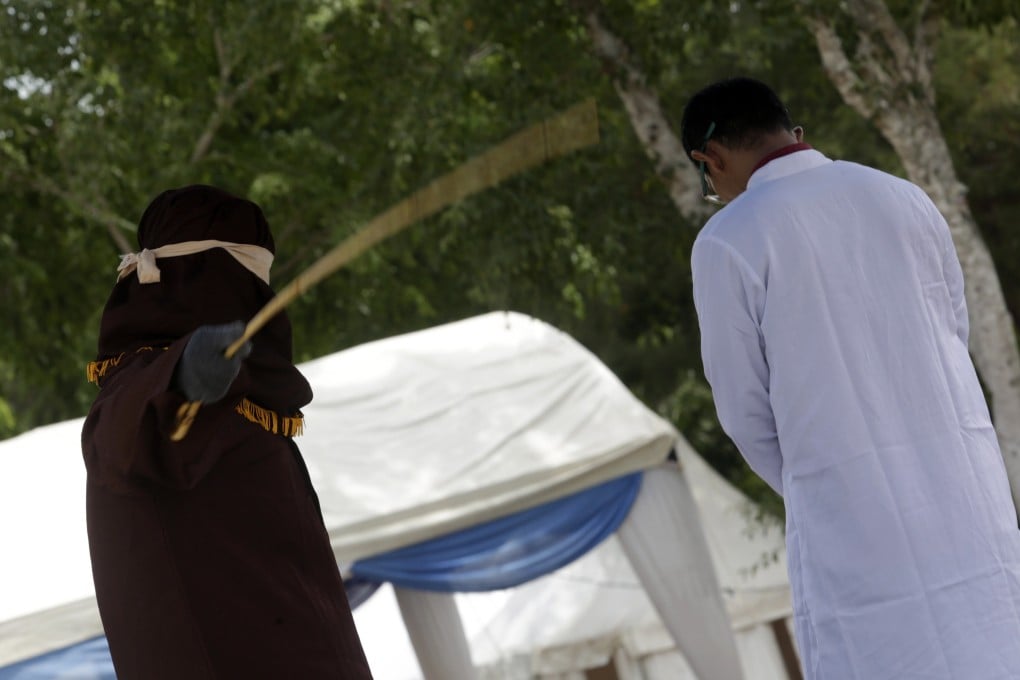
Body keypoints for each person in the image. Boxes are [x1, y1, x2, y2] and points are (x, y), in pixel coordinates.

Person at [683, 77, 1020, 679]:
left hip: (851, 525)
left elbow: (743, 410)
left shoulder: (728, 240)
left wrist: (823, 483)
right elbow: (952, 334)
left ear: (710, 158)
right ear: (792, 132)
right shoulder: (903, 197)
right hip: (967, 499)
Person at [82, 185, 374, 679]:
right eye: (249, 277)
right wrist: (181, 378)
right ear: (206, 277)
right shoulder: (138, 392)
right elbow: (122, 438)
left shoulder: (231, 398)